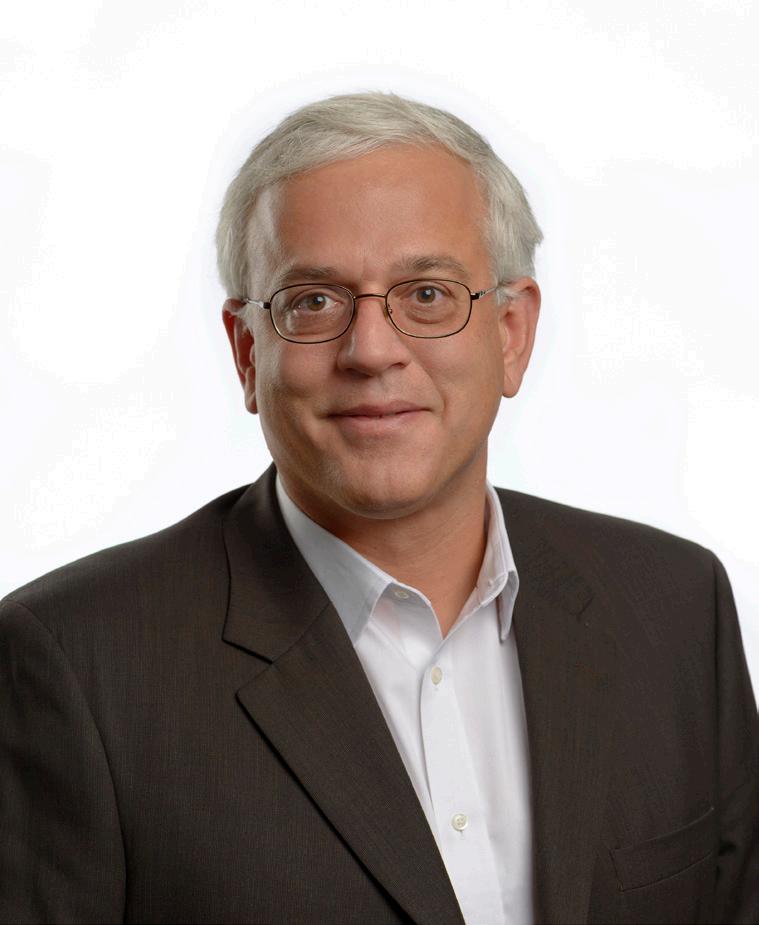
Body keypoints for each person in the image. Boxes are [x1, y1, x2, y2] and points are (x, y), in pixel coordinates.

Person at [1, 92, 756, 925]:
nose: (371, 351)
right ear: (248, 352)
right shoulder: (76, 665)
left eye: (427, 293)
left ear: (511, 333)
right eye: (313, 301)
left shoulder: (674, 607)